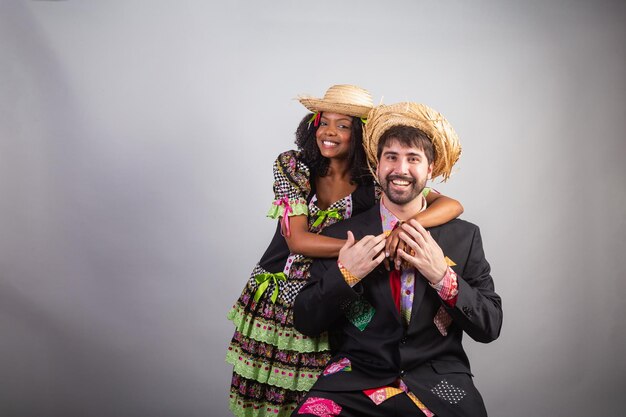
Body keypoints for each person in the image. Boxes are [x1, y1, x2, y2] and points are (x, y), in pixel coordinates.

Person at [226, 87, 464, 417]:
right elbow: (298, 241)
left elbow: (452, 204)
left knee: (315, 389)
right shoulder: (293, 166)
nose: (330, 132)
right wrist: (373, 248)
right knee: (269, 395)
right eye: (324, 122)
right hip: (281, 292)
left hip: (333, 289)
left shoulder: (371, 176)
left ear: (360, 133)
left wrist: (405, 231)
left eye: (344, 126)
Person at [292, 102, 503, 417]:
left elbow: (490, 326)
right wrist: (346, 275)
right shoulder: (342, 234)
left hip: (438, 381)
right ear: (377, 166)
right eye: (391, 157)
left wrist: (442, 277)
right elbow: (305, 321)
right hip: (355, 381)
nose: (401, 169)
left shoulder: (464, 237)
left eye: (413, 159)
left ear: (429, 170)